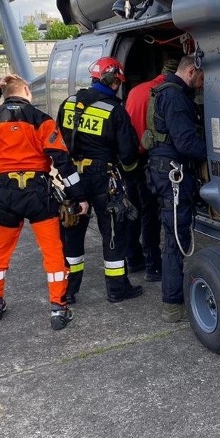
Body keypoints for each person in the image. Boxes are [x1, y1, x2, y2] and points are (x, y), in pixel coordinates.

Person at [0, 74, 87, 330]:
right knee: (53, 252)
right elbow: (63, 162)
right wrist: (79, 196)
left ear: (6, 91)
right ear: (26, 89)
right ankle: (58, 308)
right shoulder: (42, 120)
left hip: (5, 194)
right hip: (38, 193)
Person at [56, 57, 144, 304]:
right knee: (113, 232)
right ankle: (117, 289)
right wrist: (132, 178)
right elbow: (128, 154)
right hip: (105, 178)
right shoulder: (114, 110)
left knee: (72, 231)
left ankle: (68, 291)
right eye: (118, 82)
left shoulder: (69, 104)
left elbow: (58, 142)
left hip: (73, 178)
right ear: (114, 80)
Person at [145, 54, 206, 323]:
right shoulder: (176, 98)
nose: (203, 84)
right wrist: (217, 153)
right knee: (175, 239)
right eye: (202, 78)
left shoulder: (164, 91)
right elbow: (186, 144)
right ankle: (172, 304)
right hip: (173, 175)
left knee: (172, 233)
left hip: (161, 170)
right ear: (192, 71)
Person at [122, 60, 179, 283]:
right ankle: (153, 266)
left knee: (132, 208)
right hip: (148, 157)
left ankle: (133, 259)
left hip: (128, 158)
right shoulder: (166, 93)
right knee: (150, 213)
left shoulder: (137, 90)